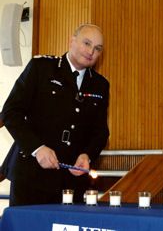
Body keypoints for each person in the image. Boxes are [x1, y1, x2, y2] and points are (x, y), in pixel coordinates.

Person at [0, 23, 110, 206]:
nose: (91, 51)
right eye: (87, 43)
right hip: (31, 178)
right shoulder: (41, 68)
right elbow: (11, 112)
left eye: (97, 48)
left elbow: (100, 132)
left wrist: (87, 155)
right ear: (72, 41)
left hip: (70, 184)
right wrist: (37, 148)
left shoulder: (100, 85)